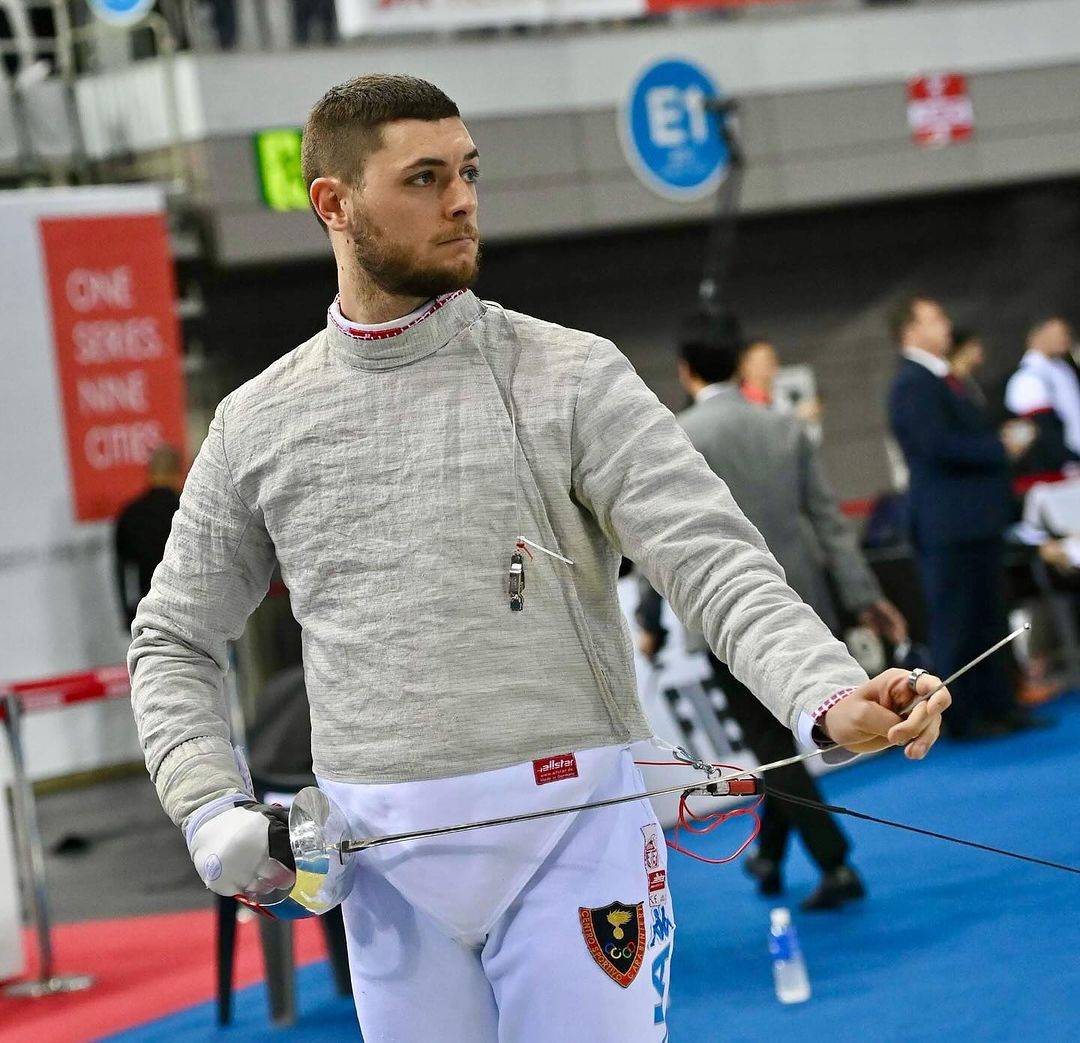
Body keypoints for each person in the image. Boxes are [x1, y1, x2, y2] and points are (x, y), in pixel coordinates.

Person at [129, 75, 950, 1043]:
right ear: (333, 204)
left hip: (576, 835)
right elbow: (173, 634)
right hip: (383, 869)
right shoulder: (256, 423)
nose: (463, 199)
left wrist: (824, 692)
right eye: (426, 177)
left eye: (469, 171)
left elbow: (713, 559)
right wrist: (207, 805)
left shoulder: (570, 373)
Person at [638, 335, 907, 911]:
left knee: (770, 746)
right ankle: (770, 856)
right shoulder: (784, 426)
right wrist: (864, 596)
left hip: (726, 620)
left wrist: (650, 623)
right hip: (802, 609)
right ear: (739, 364)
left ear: (684, 372)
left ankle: (835, 864)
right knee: (777, 744)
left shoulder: (677, 435)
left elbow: (657, 542)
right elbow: (829, 521)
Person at [887, 294, 1042, 741]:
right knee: (957, 623)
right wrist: (999, 449)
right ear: (910, 331)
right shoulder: (912, 383)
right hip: (948, 524)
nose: (946, 324)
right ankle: (962, 717)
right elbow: (935, 445)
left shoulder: (944, 378)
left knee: (989, 619)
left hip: (975, 520)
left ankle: (1000, 705)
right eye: (935, 318)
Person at [113, 445, 185, 627]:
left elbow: (122, 569)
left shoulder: (129, 514)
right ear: (178, 473)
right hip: (189, 609)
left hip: (149, 611)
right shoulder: (186, 511)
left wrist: (127, 611)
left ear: (150, 473)